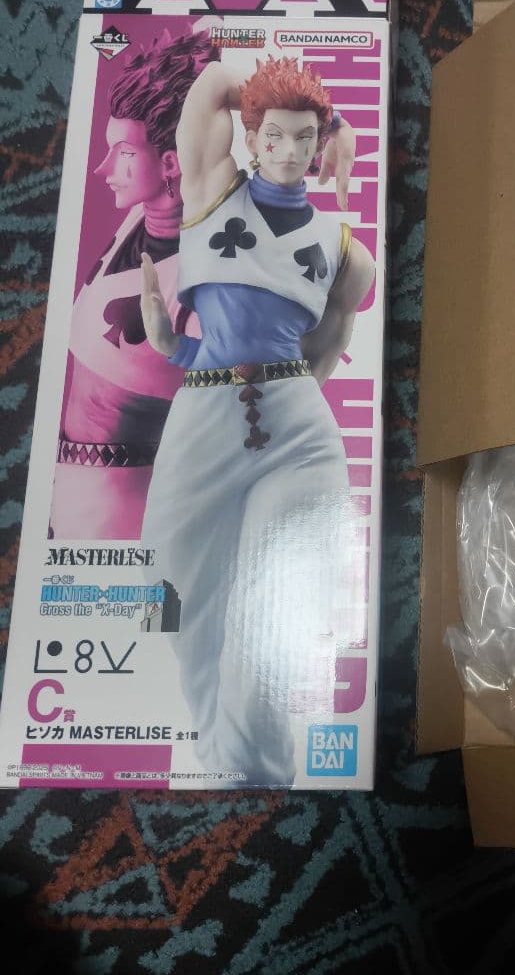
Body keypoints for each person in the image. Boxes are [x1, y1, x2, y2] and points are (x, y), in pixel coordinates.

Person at [140, 56, 374, 786]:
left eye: (307, 137)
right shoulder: (211, 189)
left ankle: (257, 769)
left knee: (275, 596)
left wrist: (274, 399)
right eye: (274, 134)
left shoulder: (348, 254)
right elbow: (211, 83)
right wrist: (328, 112)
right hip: (203, 415)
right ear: (252, 136)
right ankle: (219, 746)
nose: (289, 150)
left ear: (317, 145)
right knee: (171, 580)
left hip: (297, 434)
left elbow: (322, 355)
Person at [51, 31, 356, 540]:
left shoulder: (220, 270)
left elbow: (267, 385)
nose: (104, 168)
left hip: (134, 502)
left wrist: (331, 121)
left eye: (123, 152)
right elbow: (214, 80)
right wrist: (331, 120)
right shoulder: (139, 221)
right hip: (67, 490)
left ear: (170, 162)